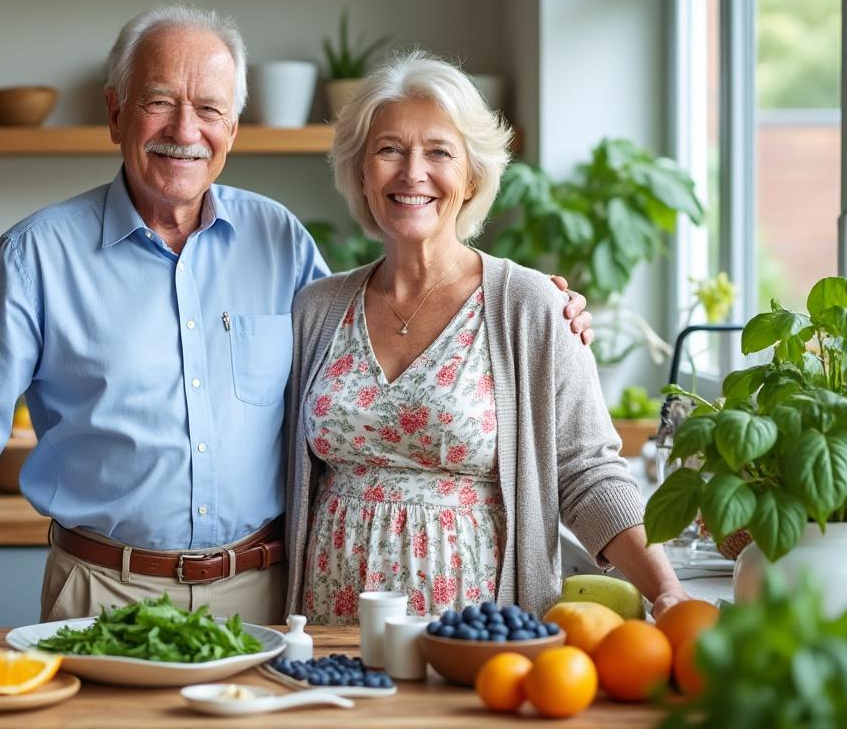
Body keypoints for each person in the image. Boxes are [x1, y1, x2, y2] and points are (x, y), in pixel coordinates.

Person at [0, 7, 591, 638]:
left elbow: (366, 346)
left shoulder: (281, 240)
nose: (185, 128)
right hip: (98, 594)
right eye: (159, 101)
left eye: (209, 108)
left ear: (233, 128)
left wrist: (525, 305)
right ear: (116, 112)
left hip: (269, 598)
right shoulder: (36, 254)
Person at [284, 52, 687, 623]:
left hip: (476, 628)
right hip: (332, 627)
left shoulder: (531, 306)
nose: (412, 173)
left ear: (472, 175)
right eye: (389, 149)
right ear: (360, 171)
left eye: (439, 152)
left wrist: (667, 590)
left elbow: (587, 472)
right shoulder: (317, 309)